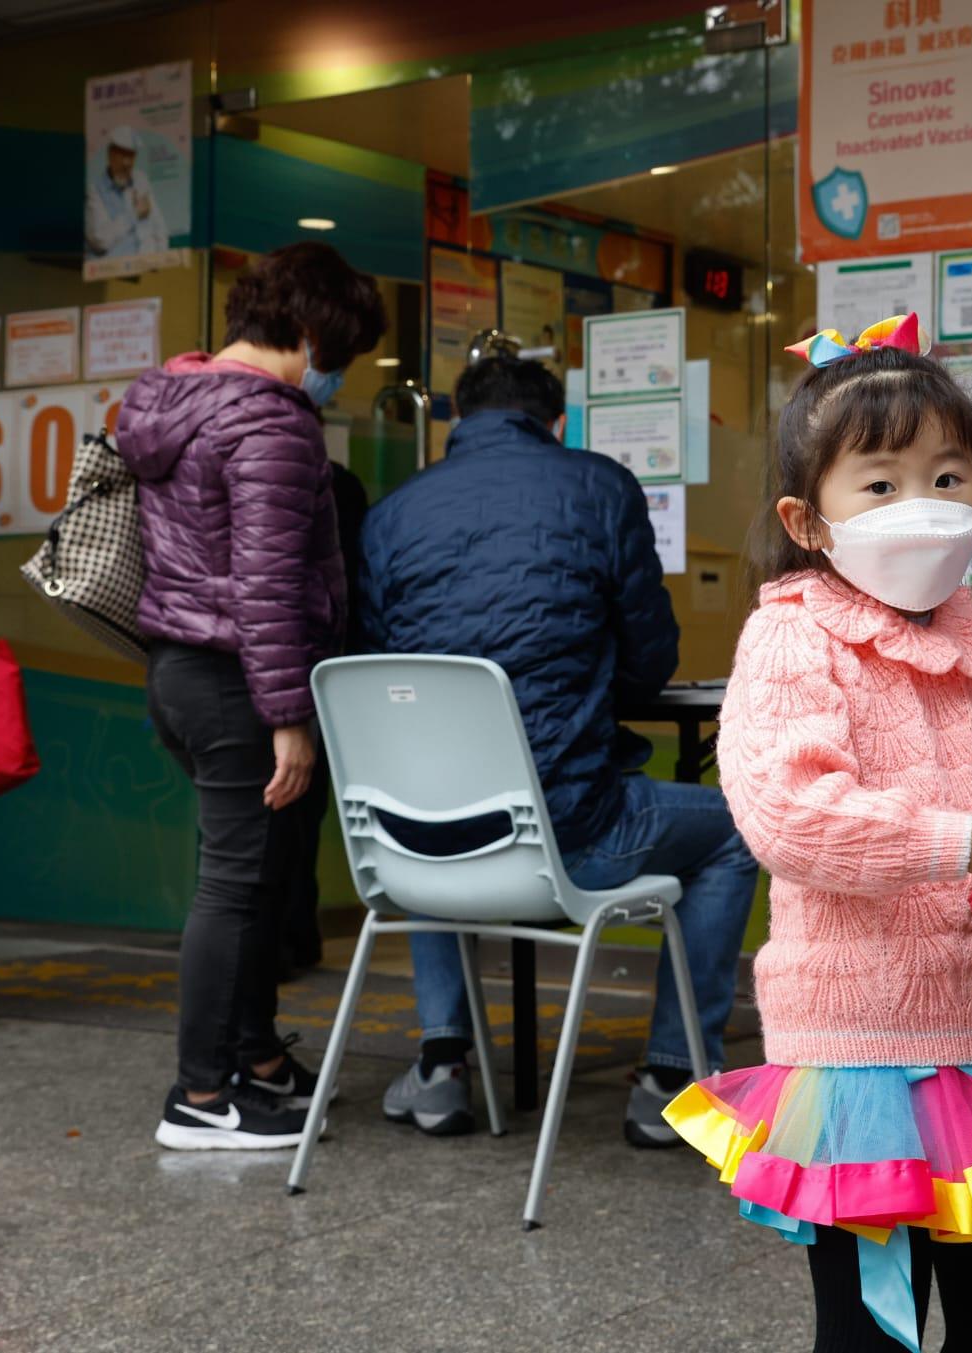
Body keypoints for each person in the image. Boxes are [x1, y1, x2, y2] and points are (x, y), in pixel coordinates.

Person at [658, 315, 972, 1352]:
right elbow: (790, 814)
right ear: (808, 519)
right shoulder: (790, 633)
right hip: (858, 1052)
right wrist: (971, 846)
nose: (921, 506)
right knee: (871, 1327)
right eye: (879, 484)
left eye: (946, 477)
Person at [361, 353, 759, 1144]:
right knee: (737, 831)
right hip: (569, 839)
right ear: (556, 423)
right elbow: (653, 661)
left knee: (434, 793)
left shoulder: (391, 513)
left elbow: (380, 669)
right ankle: (672, 1077)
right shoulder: (598, 486)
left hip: (414, 849)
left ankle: (443, 1065)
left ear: (455, 423)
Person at [117, 240, 386, 1150]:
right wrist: (288, 720)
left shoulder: (176, 401)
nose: (337, 373)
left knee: (254, 880)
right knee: (235, 888)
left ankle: (252, 1059)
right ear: (307, 330)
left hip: (181, 668)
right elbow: (267, 584)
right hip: (238, 679)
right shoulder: (270, 425)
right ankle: (199, 1097)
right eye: (340, 351)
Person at [271, 460, 369, 980]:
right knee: (300, 813)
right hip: (318, 674)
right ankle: (292, 937)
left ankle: (278, 943)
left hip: (242, 677)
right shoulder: (333, 484)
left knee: (261, 825)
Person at [84, 125, 170, 266]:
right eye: (122, 155)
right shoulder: (94, 192)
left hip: (146, 265)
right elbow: (100, 240)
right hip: (115, 271)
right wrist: (134, 214)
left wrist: (161, 258)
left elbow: (158, 224)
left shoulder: (140, 180)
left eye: (131, 156)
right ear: (110, 155)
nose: (127, 163)